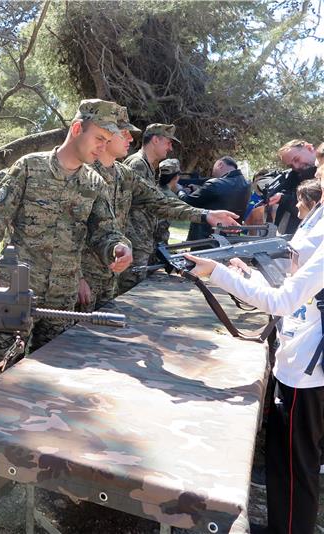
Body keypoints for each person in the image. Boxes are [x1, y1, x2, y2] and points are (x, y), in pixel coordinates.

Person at [0, 99, 133, 375]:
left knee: (53, 376)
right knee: (1, 374)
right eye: (98, 138)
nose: (103, 148)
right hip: (17, 291)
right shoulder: (29, 168)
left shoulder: (94, 183)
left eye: (107, 141)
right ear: (77, 128)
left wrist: (119, 248)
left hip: (62, 299)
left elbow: (106, 232)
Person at [186, 216, 324, 534]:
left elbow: (283, 301)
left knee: (294, 469)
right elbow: (292, 291)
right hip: (301, 361)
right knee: (287, 464)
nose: (317, 174)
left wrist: (216, 272)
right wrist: (248, 276)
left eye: (320, 166)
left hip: (306, 372)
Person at [78, 107, 239, 311]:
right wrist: (77, 275)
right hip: (86, 273)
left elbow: (160, 201)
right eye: (123, 132)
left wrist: (206, 215)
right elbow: (70, 229)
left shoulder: (124, 174)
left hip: (111, 270)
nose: (130, 138)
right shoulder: (84, 174)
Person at [119, 123, 180, 293]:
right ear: (155, 140)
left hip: (141, 243)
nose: (170, 147)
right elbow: (124, 205)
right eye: (168, 142)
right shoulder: (137, 164)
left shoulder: (147, 166)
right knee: (127, 293)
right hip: (133, 243)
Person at [171, 155, 251, 240]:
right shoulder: (246, 185)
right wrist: (199, 190)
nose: (212, 172)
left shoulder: (215, 184)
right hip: (232, 237)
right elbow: (221, 197)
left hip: (207, 237)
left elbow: (187, 202)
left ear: (220, 164)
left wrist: (179, 190)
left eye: (214, 167)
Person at [268, 139, 318, 234]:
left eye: (296, 159)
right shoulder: (294, 176)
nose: (296, 166)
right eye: (291, 165)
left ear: (309, 148)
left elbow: (312, 208)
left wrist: (285, 199)